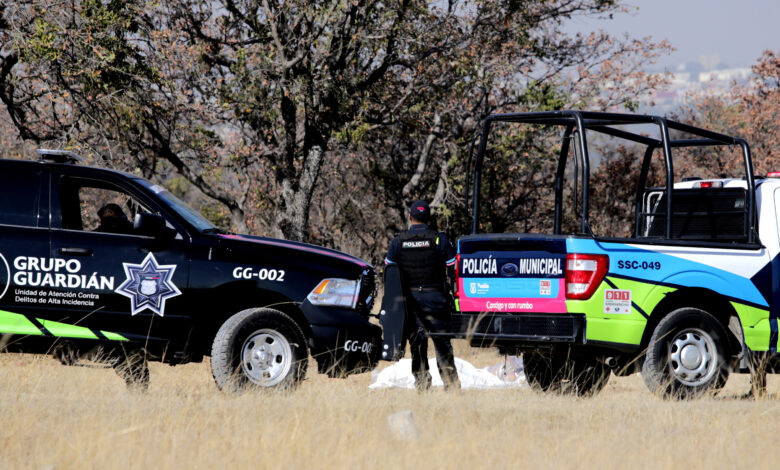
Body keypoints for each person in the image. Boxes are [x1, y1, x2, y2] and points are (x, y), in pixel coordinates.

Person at [384, 200, 460, 391]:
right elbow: (454, 270)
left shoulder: (398, 241)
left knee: (417, 345)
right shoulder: (439, 239)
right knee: (442, 346)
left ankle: (422, 387)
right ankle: (452, 388)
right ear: (429, 218)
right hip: (436, 299)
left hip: (410, 303)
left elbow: (389, 271)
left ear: (410, 217)